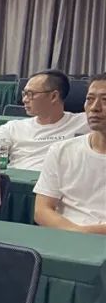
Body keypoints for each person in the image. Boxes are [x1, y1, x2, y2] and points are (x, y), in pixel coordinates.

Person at [33, 74, 106, 234]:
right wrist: (76, 232)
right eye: (90, 99)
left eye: (105, 100)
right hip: (65, 236)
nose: (95, 107)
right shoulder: (61, 150)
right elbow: (42, 210)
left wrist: (85, 233)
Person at [0, 69, 89, 171]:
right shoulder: (12, 127)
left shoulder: (84, 122)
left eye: (30, 94)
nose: (24, 100)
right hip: (18, 179)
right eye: (24, 94)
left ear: (54, 96)